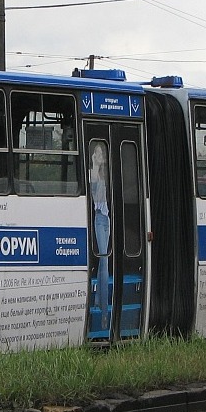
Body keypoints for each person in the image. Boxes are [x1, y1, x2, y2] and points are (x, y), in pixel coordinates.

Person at [89, 142, 111, 331]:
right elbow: (94, 194)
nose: (100, 155)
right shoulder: (94, 173)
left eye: (101, 152)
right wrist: (95, 166)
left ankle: (97, 300)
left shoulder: (106, 172)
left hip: (107, 219)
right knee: (104, 262)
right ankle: (105, 314)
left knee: (104, 261)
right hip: (98, 219)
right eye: (97, 152)